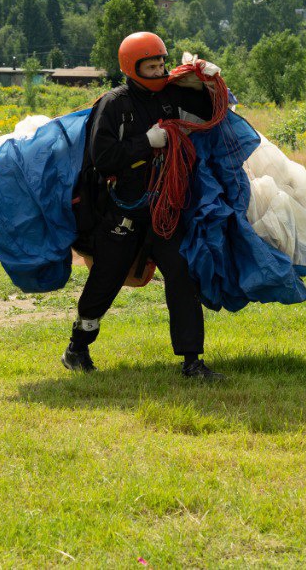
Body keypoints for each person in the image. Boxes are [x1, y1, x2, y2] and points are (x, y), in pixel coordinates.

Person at [62, 32, 224, 380]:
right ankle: (78, 346)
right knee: (106, 278)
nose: (159, 70)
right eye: (151, 66)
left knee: (181, 274)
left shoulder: (170, 93)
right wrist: (145, 143)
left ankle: (192, 361)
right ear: (132, 68)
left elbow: (213, 113)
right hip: (123, 212)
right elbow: (101, 158)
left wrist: (206, 79)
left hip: (164, 211)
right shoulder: (113, 104)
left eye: (162, 63)